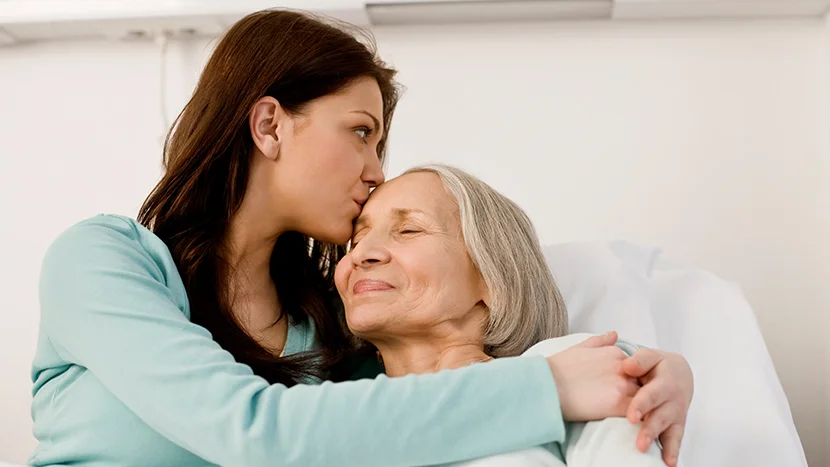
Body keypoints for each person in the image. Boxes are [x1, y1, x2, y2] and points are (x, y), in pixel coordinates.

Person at [30, 8, 693, 467]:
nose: (376, 171)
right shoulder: (102, 262)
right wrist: (550, 388)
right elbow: (253, 431)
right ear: (269, 126)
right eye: (361, 132)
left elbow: (439, 368)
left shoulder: (326, 331)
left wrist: (648, 365)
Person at [335, 165, 686, 466]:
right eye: (356, 239)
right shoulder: (332, 416)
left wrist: (637, 363)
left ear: (492, 277)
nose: (362, 253)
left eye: (409, 229)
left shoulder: (566, 368)